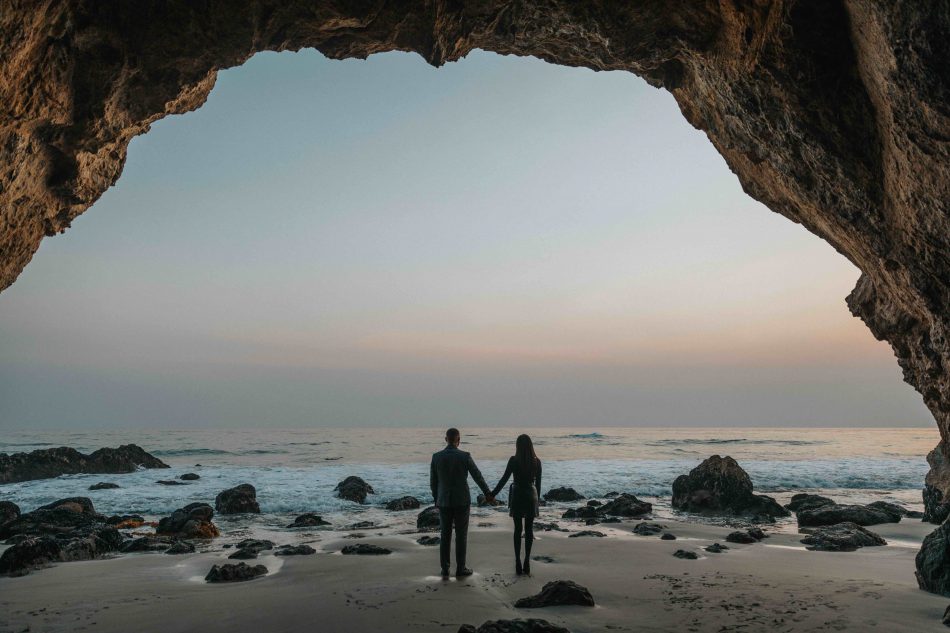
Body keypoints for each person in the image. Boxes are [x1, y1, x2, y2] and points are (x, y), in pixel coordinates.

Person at [430, 427, 494, 577]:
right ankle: (461, 568)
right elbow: (477, 476)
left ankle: (445, 568)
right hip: (462, 500)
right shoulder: (465, 456)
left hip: (444, 500)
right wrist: (488, 493)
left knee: (445, 535)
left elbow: (433, 482)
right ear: (459, 440)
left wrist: (436, 499)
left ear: (446, 439)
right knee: (461, 535)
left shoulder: (436, 457)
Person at [490, 433, 542, 575]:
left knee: (518, 529)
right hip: (531, 495)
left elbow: (504, 479)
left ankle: (517, 562)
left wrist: (492, 494)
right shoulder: (537, 461)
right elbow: (538, 486)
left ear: (517, 446)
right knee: (529, 530)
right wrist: (537, 502)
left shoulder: (513, 460)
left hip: (517, 494)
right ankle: (527, 561)